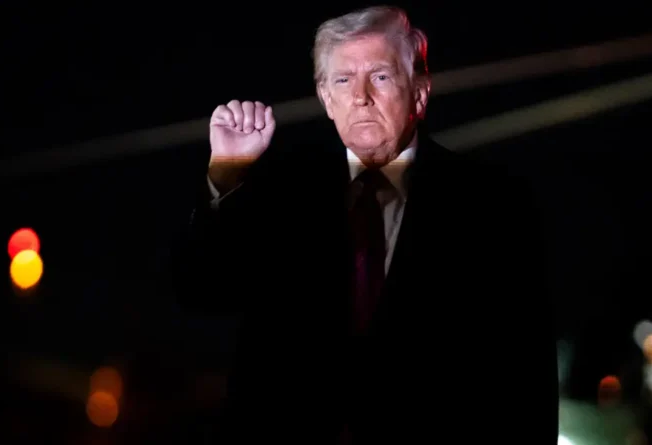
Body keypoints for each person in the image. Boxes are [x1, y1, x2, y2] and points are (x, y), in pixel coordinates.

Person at [175, 5, 557, 444]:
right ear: (325, 98)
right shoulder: (282, 191)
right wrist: (226, 172)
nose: (361, 96)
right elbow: (199, 289)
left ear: (419, 93)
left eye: (380, 76)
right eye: (343, 80)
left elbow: (527, 372)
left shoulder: (494, 203)